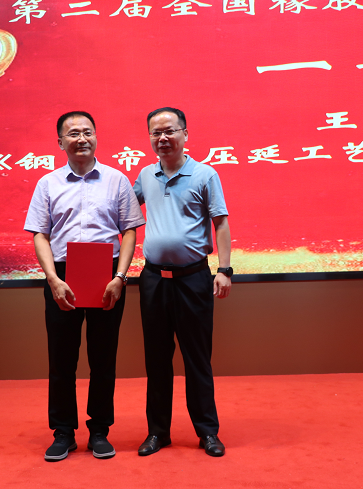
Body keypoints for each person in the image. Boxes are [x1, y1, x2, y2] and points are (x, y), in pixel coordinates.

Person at [24, 111, 145, 462]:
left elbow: (129, 231)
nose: (82, 139)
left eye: (87, 132)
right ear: (60, 142)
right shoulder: (48, 183)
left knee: (103, 357)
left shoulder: (116, 180)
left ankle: (99, 431)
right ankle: (63, 432)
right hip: (62, 275)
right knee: (62, 358)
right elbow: (40, 234)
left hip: (107, 274)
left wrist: (120, 277)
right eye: (73, 133)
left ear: (96, 137)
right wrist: (53, 279)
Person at [133, 107, 232, 457]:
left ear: (185, 134)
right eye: (156, 132)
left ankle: (207, 432)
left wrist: (225, 269)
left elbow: (220, 223)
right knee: (157, 360)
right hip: (154, 281)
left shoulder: (205, 174)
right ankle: (157, 432)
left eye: (170, 131)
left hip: (193, 279)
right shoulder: (145, 175)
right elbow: (123, 209)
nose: (163, 138)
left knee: (197, 359)